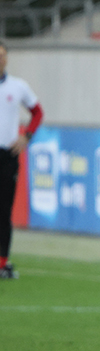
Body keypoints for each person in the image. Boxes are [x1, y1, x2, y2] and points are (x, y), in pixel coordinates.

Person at [0, 42, 43, 280]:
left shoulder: (17, 87)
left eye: (2, 55)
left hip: (7, 155)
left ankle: (2, 262)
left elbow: (37, 112)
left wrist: (26, 135)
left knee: (4, 210)